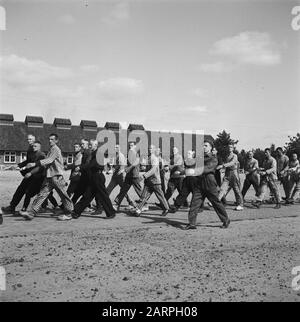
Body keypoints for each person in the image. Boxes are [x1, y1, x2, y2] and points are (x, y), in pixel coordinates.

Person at [20, 133, 74, 221]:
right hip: (49, 177)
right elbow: (46, 164)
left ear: (56, 141)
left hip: (56, 176)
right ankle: (32, 213)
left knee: (63, 194)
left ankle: (69, 213)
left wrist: (35, 163)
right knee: (42, 194)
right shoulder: (50, 150)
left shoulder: (56, 149)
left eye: (52, 139)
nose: (50, 141)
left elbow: (49, 160)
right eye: (49, 139)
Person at [183, 141, 230, 230]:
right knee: (195, 202)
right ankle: (192, 223)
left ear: (211, 147)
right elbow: (189, 164)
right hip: (199, 182)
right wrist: (189, 158)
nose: (204, 147)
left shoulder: (213, 158)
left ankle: (226, 220)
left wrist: (195, 169)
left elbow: (207, 168)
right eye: (203, 145)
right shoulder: (199, 157)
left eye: (206, 145)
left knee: (215, 202)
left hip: (209, 182)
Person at [71, 140, 116, 219]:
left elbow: (92, 164)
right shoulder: (93, 153)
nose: (90, 146)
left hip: (98, 177)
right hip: (94, 177)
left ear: (96, 145)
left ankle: (111, 213)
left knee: (103, 196)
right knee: (87, 195)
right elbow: (89, 165)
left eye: (91, 145)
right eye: (90, 145)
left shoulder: (98, 153)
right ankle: (76, 212)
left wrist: (80, 168)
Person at [1, 134, 36, 215]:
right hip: (29, 174)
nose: (29, 141)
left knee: (32, 192)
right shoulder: (29, 149)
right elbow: (27, 161)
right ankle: (12, 206)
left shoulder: (35, 149)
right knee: (20, 189)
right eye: (28, 139)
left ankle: (25, 209)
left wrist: (25, 169)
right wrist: (18, 165)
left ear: (34, 140)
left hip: (34, 175)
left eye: (30, 139)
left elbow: (35, 163)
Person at [131, 145, 169, 216]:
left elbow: (153, 170)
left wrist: (144, 176)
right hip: (149, 181)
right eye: (149, 148)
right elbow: (148, 169)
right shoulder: (149, 158)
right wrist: (143, 167)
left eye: (151, 148)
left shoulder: (154, 158)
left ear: (154, 149)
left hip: (155, 181)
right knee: (143, 196)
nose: (149, 149)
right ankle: (138, 210)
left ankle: (166, 208)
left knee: (160, 196)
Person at [18, 141, 46, 214]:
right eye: (33, 146)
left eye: (35, 146)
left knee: (39, 193)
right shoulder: (33, 155)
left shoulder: (42, 155)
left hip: (41, 178)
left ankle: (44, 207)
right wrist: (21, 166)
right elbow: (28, 163)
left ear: (40, 147)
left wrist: (30, 173)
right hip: (34, 177)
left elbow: (41, 167)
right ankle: (24, 209)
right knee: (30, 193)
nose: (33, 147)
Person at [114, 142, 143, 210]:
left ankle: (145, 204)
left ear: (135, 146)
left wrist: (126, 169)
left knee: (138, 190)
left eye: (132, 145)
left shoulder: (136, 154)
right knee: (123, 189)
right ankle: (117, 204)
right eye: (129, 145)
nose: (130, 147)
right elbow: (127, 163)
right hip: (129, 175)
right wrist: (123, 169)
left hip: (134, 175)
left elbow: (135, 163)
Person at [217, 144, 244, 211]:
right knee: (222, 188)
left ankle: (240, 204)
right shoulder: (227, 156)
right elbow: (227, 165)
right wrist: (222, 169)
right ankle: (216, 202)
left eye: (231, 147)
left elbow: (232, 163)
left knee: (236, 190)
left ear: (233, 148)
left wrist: (223, 165)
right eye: (228, 147)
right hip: (227, 173)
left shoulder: (235, 156)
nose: (229, 148)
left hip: (234, 174)